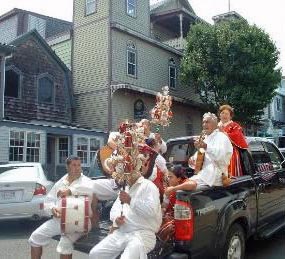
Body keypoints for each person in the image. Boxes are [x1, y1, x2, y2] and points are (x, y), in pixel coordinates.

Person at [29, 156, 96, 259]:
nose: (78, 168)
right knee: (35, 238)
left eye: (79, 165)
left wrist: (70, 191)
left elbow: (90, 190)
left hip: (80, 222)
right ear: (67, 167)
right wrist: (52, 209)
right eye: (74, 165)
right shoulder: (61, 182)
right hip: (59, 220)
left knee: (64, 244)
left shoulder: (86, 181)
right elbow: (48, 201)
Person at [89, 170, 162, 259]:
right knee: (95, 254)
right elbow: (114, 210)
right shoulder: (126, 187)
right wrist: (116, 218)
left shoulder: (148, 186)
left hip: (142, 235)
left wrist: (130, 201)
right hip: (121, 233)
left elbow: (151, 211)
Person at [165, 112, 233, 194]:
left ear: (215, 124)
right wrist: (192, 160)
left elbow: (221, 156)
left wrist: (206, 146)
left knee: (187, 186)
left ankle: (173, 190)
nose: (204, 124)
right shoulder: (206, 138)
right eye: (203, 122)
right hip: (205, 173)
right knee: (181, 182)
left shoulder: (222, 137)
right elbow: (200, 158)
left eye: (207, 122)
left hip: (215, 175)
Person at [157, 164, 188, 241]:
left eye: (171, 177)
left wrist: (173, 189)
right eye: (168, 176)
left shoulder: (184, 186)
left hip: (179, 220)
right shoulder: (168, 189)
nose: (168, 179)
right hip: (170, 216)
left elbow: (193, 185)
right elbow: (164, 206)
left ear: (179, 178)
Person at [218, 104, 248, 177]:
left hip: (230, 153)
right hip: (216, 153)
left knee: (229, 175)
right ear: (219, 115)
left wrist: (224, 133)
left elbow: (237, 136)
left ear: (230, 116)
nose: (224, 115)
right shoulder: (216, 126)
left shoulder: (235, 125)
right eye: (222, 113)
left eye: (227, 114)